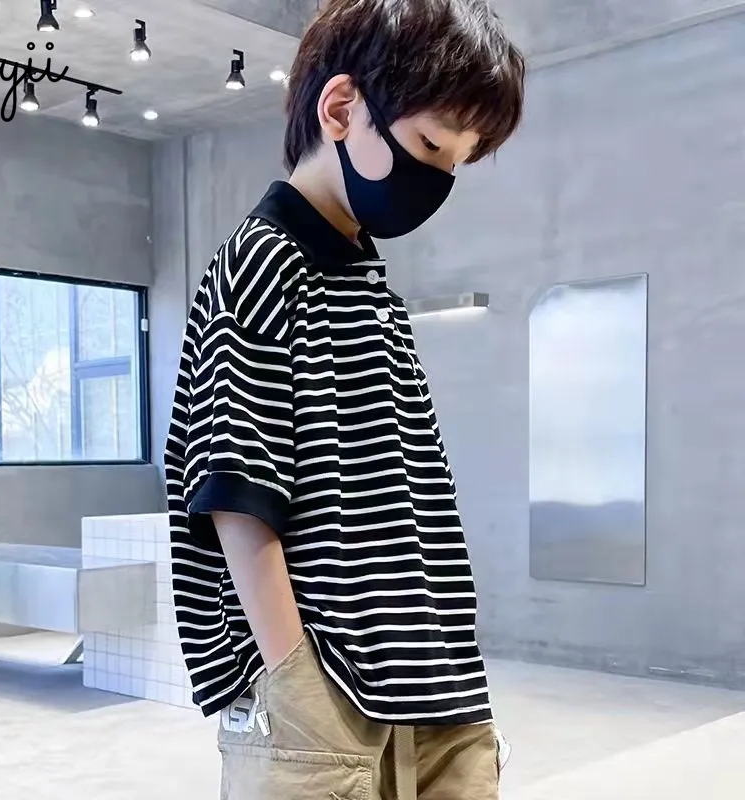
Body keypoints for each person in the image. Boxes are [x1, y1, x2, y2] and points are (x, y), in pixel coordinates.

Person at [165, 1, 525, 797]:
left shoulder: (366, 282)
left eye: (458, 161)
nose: (438, 179)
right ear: (340, 108)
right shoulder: (262, 263)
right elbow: (235, 493)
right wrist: (294, 677)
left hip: (433, 684)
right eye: (429, 145)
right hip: (328, 692)